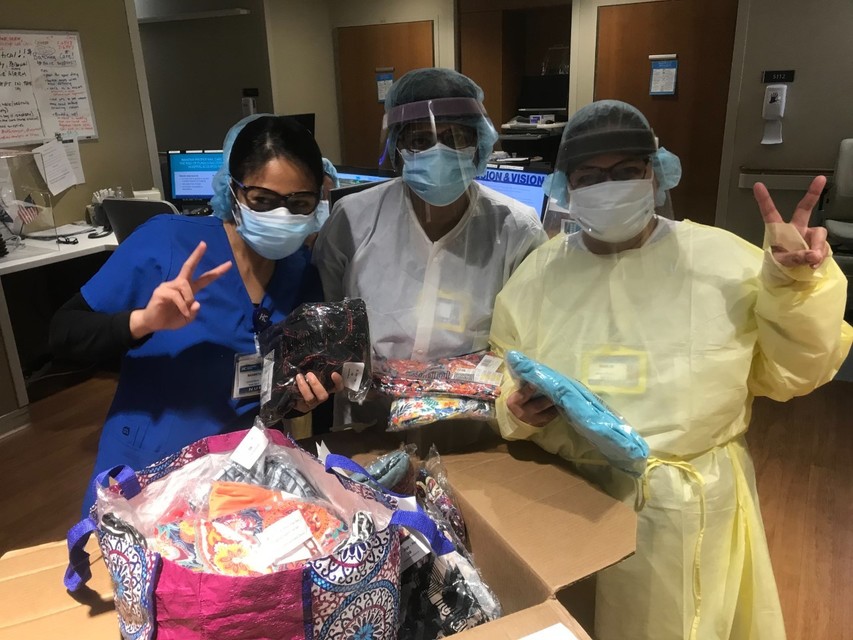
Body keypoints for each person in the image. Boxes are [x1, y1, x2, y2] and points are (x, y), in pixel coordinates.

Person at [489, 100, 852, 640]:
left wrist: (794, 289)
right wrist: (515, 410)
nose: (609, 187)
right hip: (570, 502)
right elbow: (500, 366)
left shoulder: (721, 261)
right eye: (590, 177)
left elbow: (797, 371)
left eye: (626, 171)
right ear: (565, 188)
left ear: (656, 174)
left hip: (689, 509)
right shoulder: (539, 272)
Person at [51, 114, 342, 513]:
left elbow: (276, 388)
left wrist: (300, 402)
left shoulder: (303, 274)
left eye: (299, 203)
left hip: (239, 480)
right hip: (148, 472)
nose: (281, 214)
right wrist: (143, 322)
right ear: (233, 190)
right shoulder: (167, 243)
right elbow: (63, 333)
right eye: (262, 200)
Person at [313, 67, 547, 425]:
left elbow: (529, 340)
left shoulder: (516, 230)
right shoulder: (353, 220)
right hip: (365, 425)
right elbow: (326, 322)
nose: (438, 152)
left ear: (480, 144)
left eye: (455, 137)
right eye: (419, 140)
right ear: (396, 148)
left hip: (470, 429)